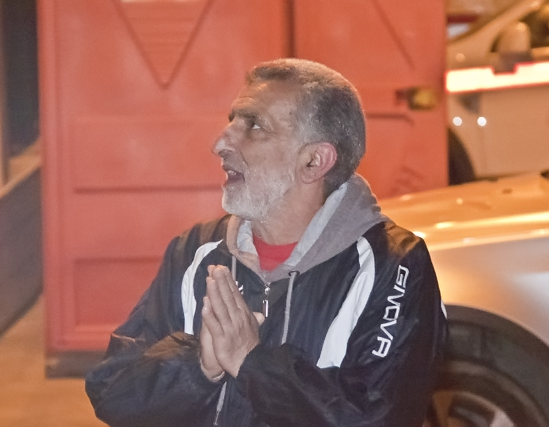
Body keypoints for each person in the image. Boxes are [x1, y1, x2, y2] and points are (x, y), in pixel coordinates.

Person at [85, 58, 447, 427]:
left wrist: (251, 363)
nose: (220, 144)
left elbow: (378, 417)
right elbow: (112, 391)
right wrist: (199, 366)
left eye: (254, 126)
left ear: (314, 161)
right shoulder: (196, 251)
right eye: (232, 122)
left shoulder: (392, 265)